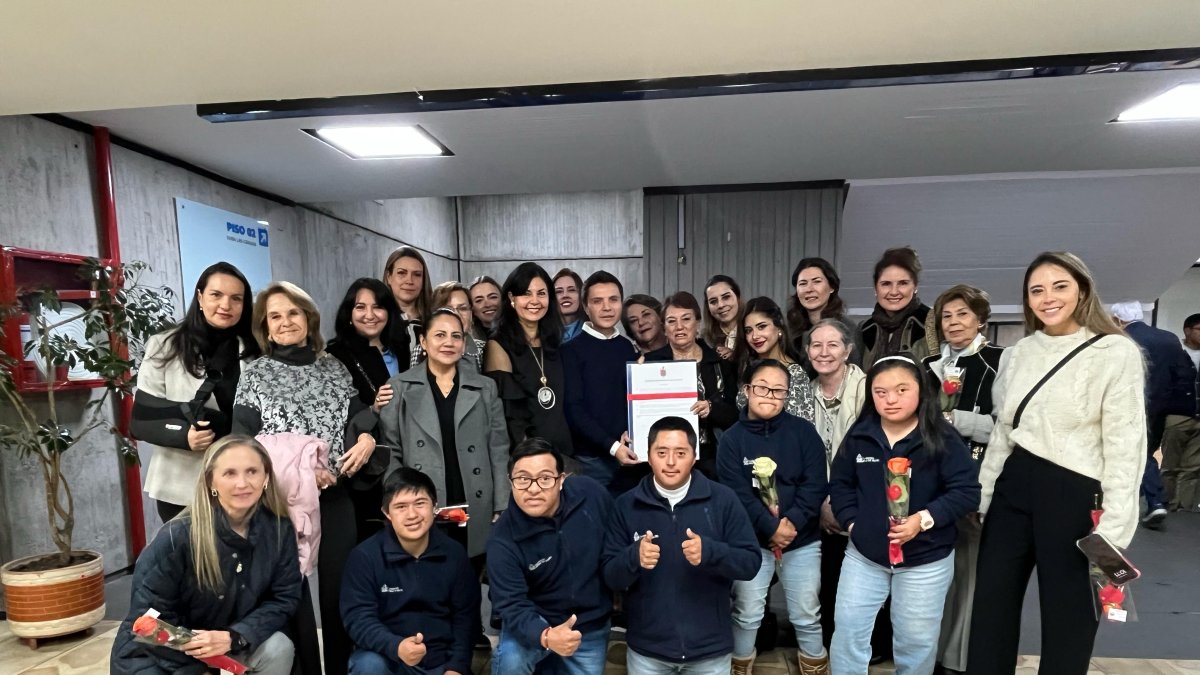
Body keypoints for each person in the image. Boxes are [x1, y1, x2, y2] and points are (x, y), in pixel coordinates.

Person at [968, 252, 1146, 675]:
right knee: (991, 606)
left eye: (1059, 286)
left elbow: (1126, 443)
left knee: (1069, 613)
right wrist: (984, 495)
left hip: (1073, 491)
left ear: (1082, 289)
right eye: (1037, 290)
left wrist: (1115, 528)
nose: (1048, 298)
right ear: (1027, 301)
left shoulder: (1114, 352)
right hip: (1013, 486)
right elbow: (1002, 432)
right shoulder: (1019, 353)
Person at [233, 281, 379, 675]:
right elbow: (245, 444)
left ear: (308, 317)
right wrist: (299, 470)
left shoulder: (333, 365)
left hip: (335, 497)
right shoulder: (256, 374)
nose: (285, 322)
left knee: (338, 594)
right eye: (275, 316)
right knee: (292, 597)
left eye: (293, 313)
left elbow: (357, 417)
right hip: (281, 503)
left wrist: (366, 434)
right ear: (265, 325)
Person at [829, 356, 980, 675]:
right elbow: (841, 484)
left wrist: (923, 520)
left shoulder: (942, 438)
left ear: (921, 392)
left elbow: (966, 492)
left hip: (925, 560)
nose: (890, 399)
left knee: (916, 644)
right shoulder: (860, 435)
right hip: (865, 558)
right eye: (880, 392)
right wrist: (855, 524)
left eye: (901, 389)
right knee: (848, 634)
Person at [110, 435, 301, 675]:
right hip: (161, 652)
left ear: (266, 478)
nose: (242, 483)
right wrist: (199, 669)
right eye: (229, 473)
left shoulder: (279, 530)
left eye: (252, 471)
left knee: (278, 648)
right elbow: (148, 624)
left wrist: (237, 637)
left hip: (226, 638)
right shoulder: (176, 536)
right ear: (211, 482)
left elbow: (284, 598)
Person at [603, 416, 760, 675]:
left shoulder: (723, 500)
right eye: (662, 452)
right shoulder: (626, 505)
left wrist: (711, 552)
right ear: (648, 454)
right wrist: (634, 557)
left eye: (681, 452)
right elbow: (610, 576)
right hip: (648, 652)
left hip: (710, 651)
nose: (671, 462)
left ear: (694, 456)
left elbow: (750, 563)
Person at [718, 359, 830, 675]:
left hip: (802, 538)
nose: (770, 395)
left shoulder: (804, 433)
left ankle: (814, 666)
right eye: (762, 387)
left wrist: (791, 524)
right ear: (746, 390)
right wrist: (770, 527)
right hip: (752, 542)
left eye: (778, 390)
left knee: (806, 612)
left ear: (786, 395)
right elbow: (736, 495)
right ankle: (739, 665)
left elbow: (815, 485)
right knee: (747, 611)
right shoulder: (731, 440)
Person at [379, 307, 511, 563]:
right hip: (422, 499)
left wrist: (501, 501)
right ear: (424, 342)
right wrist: (401, 501)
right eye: (439, 335)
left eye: (456, 336)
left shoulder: (485, 387)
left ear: (463, 344)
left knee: (470, 575)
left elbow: (498, 447)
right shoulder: (399, 387)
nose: (448, 342)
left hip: (473, 495)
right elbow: (390, 449)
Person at [135, 262, 261, 523]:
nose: (225, 305)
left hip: (243, 483)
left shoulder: (256, 352)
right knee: (191, 561)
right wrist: (185, 436)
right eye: (216, 295)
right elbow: (142, 419)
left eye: (236, 298)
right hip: (181, 484)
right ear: (200, 297)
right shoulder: (165, 346)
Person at [919, 285, 1003, 673]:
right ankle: (930, 655)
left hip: (978, 478)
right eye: (947, 316)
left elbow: (1009, 427)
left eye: (962, 315)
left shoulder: (999, 361)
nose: (953, 323)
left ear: (980, 318)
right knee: (934, 576)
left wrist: (957, 421)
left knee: (969, 577)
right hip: (932, 484)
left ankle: (958, 659)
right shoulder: (930, 366)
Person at [487, 438, 615, 675]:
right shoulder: (502, 539)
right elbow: (511, 604)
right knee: (511, 662)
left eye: (545, 478)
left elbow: (616, 543)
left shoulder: (591, 494)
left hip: (587, 625)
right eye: (523, 479)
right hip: (533, 621)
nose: (533, 488)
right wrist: (545, 635)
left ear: (562, 480)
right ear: (510, 482)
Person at [340, 468, 481, 675]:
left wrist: (456, 667)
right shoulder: (365, 557)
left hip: (441, 664)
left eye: (420, 503)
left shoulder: (454, 554)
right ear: (387, 513)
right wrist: (396, 647)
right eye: (401, 507)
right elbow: (358, 618)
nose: (412, 514)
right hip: (390, 660)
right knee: (367, 665)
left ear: (434, 506)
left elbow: (466, 618)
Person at [326, 278, 412, 543]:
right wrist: (372, 410)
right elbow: (338, 412)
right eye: (360, 307)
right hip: (367, 465)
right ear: (349, 314)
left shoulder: (402, 348)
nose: (370, 315)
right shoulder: (335, 354)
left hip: (407, 451)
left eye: (378, 307)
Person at [803, 319, 867, 648]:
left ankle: (867, 649)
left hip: (860, 501)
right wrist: (820, 502)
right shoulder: (804, 394)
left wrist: (840, 501)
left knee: (861, 588)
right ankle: (830, 648)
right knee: (825, 582)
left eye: (833, 345)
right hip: (817, 502)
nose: (824, 352)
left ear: (848, 350)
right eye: (816, 345)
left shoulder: (868, 390)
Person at [1110, 301, 1197, 529]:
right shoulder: (1169, 339)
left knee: (1136, 454)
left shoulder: (1118, 339)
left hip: (1127, 405)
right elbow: (1183, 374)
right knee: (1146, 451)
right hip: (1162, 408)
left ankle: (1153, 500)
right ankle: (1148, 500)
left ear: (1118, 319)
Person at [483, 263, 575, 462]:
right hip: (530, 458)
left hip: (565, 453)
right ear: (511, 298)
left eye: (541, 293)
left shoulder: (554, 342)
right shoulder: (498, 345)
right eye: (526, 293)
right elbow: (510, 418)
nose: (535, 301)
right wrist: (534, 458)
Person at [642, 292, 739, 479]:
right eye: (671, 321)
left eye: (686, 319)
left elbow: (736, 415)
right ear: (664, 328)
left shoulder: (719, 363)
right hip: (663, 458)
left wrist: (712, 409)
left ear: (698, 323)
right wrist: (637, 376)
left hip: (710, 460)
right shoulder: (649, 363)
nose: (679, 327)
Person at [561, 270, 641, 492]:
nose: (607, 307)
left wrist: (631, 433)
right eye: (598, 301)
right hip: (592, 461)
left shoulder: (628, 348)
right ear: (586, 307)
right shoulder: (570, 352)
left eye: (613, 300)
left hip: (631, 455)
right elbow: (573, 410)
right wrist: (613, 447)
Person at [734, 296, 816, 423]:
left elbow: (802, 430)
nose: (755, 336)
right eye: (748, 330)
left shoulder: (795, 374)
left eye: (761, 327)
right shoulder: (748, 366)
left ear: (779, 327)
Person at [858, 247, 936, 369]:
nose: (894, 292)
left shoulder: (933, 323)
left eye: (903, 283)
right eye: (886, 284)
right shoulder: (865, 329)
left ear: (915, 286)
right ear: (875, 288)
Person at [786, 257, 862, 366]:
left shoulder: (847, 328)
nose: (809, 289)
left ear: (832, 287)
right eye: (803, 283)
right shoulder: (790, 328)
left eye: (816, 282)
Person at [1163, 313, 1200, 512]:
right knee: (1170, 465)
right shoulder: (1174, 352)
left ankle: (1184, 506)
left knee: (1193, 467)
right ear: (1187, 330)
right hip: (1177, 415)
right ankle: (1167, 503)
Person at [410, 281, 486, 371]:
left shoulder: (485, 349)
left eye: (463, 308)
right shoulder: (421, 350)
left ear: (471, 313)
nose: (456, 314)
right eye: (448, 309)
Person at [384, 246, 433, 349]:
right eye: (402, 273)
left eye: (417, 274)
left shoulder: (435, 320)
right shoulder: (378, 321)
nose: (409, 281)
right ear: (389, 277)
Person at [702, 275, 743, 360]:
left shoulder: (752, 332)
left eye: (726, 297)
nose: (720, 305)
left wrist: (735, 357)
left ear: (738, 297)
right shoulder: (705, 339)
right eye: (713, 301)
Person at [553, 268, 585, 343]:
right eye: (559, 291)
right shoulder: (541, 335)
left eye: (571, 290)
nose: (565, 295)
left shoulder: (593, 332)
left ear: (581, 294)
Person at [468, 275, 502, 341]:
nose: (487, 304)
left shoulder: (521, 331)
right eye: (479, 300)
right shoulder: (468, 341)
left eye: (493, 297)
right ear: (472, 309)